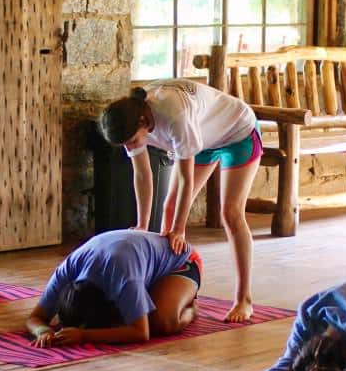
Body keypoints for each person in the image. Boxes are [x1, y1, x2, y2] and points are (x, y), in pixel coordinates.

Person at [99, 79, 262, 323]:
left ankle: (244, 299)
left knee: (231, 213)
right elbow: (142, 174)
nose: (130, 146)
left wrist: (178, 230)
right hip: (202, 138)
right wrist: (142, 225)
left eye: (132, 141)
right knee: (170, 207)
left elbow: (186, 179)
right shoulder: (131, 122)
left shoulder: (175, 116)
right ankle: (176, 290)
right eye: (125, 144)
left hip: (238, 132)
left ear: (143, 122)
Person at [26, 229, 202, 347]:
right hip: (137, 261)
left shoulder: (124, 276)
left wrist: (84, 336)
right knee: (138, 312)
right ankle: (146, 296)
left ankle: (191, 308)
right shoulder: (67, 272)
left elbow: (141, 333)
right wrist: (44, 331)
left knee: (162, 323)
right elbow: (35, 318)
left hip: (180, 261)